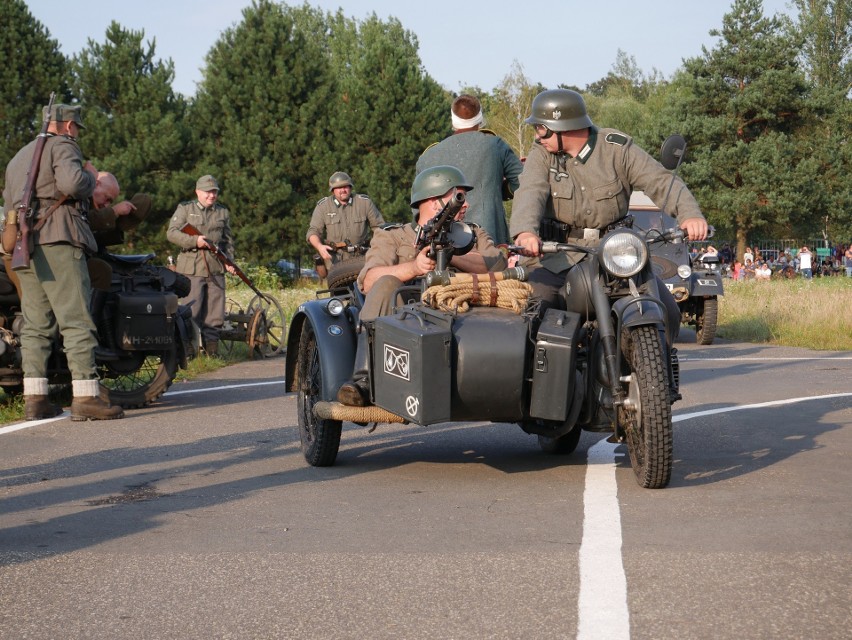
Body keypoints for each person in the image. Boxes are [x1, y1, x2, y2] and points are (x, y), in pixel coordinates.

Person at [509, 88, 708, 345]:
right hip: (556, 257)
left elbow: (659, 181)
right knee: (533, 311)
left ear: (564, 127)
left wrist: (690, 215)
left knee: (666, 311)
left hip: (614, 256)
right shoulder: (542, 154)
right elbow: (530, 190)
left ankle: (657, 378)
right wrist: (525, 232)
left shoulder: (616, 149)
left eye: (541, 128)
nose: (538, 135)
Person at [336, 165, 507, 407]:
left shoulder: (473, 233)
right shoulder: (393, 236)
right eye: (457, 195)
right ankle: (364, 380)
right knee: (386, 283)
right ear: (433, 202)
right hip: (407, 318)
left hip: (464, 314)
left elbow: (496, 266)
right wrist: (414, 268)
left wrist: (450, 253)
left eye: (464, 196)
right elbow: (368, 280)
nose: (465, 204)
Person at [2, 103, 124, 420]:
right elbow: (72, 184)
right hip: (58, 240)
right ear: (69, 126)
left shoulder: (18, 158)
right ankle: (86, 398)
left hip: (24, 247)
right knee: (76, 320)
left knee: (36, 326)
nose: (77, 134)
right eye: (77, 129)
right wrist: (89, 175)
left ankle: (35, 399)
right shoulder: (63, 146)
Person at [416, 94, 523, 246]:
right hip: (488, 241)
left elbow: (418, 209)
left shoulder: (428, 156)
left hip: (440, 243)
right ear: (480, 118)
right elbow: (522, 184)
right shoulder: (495, 145)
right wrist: (500, 188)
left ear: (453, 120)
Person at [167, 175, 236, 356]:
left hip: (215, 267)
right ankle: (188, 349)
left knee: (215, 312)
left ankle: (211, 350)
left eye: (214, 192)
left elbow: (227, 241)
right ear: (198, 192)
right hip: (192, 267)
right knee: (191, 310)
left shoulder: (222, 212)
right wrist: (194, 240)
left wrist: (229, 261)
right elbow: (171, 233)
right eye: (207, 192)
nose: (211, 195)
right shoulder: (185, 209)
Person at [306, 172, 384, 277]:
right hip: (335, 260)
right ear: (332, 190)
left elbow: (380, 228)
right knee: (339, 292)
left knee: (365, 290)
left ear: (350, 187)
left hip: (361, 257)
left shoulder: (364, 203)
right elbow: (313, 231)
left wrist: (378, 248)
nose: (343, 190)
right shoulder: (323, 207)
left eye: (345, 186)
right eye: (338, 187)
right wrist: (320, 247)